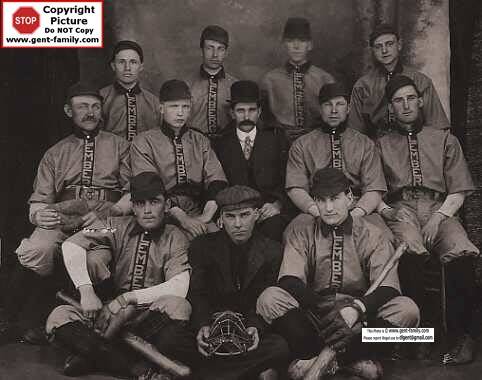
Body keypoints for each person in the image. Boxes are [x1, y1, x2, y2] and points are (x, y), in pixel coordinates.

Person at [257, 168, 419, 378]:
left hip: (358, 319)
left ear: (349, 197)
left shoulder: (373, 234)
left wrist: (357, 309)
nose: (329, 207)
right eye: (321, 200)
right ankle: (351, 363)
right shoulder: (302, 231)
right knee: (269, 298)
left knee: (408, 311)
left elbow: (389, 288)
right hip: (314, 315)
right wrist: (323, 307)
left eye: (334, 198)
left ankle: (318, 361)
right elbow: (289, 279)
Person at [1, 83, 131, 344]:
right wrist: (39, 216)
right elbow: (39, 200)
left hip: (108, 219)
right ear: (68, 110)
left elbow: (133, 193)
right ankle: (24, 320)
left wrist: (114, 211)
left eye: (95, 106)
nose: (90, 112)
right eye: (82, 106)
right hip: (64, 216)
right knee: (38, 248)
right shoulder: (56, 152)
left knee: (95, 259)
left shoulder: (121, 146)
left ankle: (96, 327)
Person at [46, 172, 196, 379]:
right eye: (140, 204)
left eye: (154, 202)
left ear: (167, 204)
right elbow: (72, 244)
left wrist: (128, 298)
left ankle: (95, 355)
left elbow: (179, 286)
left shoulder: (176, 236)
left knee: (179, 306)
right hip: (109, 316)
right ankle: (137, 369)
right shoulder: (114, 225)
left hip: (148, 317)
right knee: (59, 316)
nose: (147, 210)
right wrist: (87, 291)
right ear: (133, 207)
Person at [376, 75, 479, 364]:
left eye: (410, 98)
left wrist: (439, 217)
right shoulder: (381, 144)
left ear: (420, 101)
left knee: (460, 250)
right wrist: (387, 212)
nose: (406, 105)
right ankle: (418, 337)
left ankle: (462, 337)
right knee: (409, 250)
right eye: (398, 100)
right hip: (402, 208)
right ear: (391, 107)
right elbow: (372, 190)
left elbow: (459, 188)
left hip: (440, 206)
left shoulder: (444, 138)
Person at [188, 185, 290, 379]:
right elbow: (197, 293)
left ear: (257, 215)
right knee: (171, 340)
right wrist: (202, 324)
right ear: (220, 219)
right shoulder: (202, 246)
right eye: (230, 216)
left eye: (244, 215)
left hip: (247, 330)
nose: (237, 224)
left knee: (280, 347)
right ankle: (245, 371)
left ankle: (211, 374)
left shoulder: (273, 251)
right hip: (212, 327)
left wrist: (254, 326)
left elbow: (266, 297)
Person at [130, 79, 228, 240]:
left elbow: (217, 180)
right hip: (160, 211)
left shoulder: (200, 140)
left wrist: (205, 217)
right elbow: (148, 186)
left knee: (219, 240)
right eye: (174, 106)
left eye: (185, 107)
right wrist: (184, 220)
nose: (180, 113)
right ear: (161, 108)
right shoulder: (144, 141)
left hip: (198, 209)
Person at [286, 82, 389, 234]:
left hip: (356, 208)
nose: (334, 110)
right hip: (318, 208)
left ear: (348, 109)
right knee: (293, 232)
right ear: (320, 109)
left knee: (383, 235)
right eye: (328, 105)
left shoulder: (364, 144)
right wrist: (317, 212)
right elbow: (295, 187)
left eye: (340, 104)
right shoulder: (302, 144)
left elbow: (374, 188)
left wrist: (355, 214)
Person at [214, 80, 291, 241]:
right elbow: (215, 182)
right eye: (240, 111)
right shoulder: (220, 142)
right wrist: (222, 212)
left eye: (252, 110)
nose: (247, 116)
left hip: (266, 210)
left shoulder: (277, 138)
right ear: (232, 113)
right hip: (233, 211)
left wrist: (277, 204)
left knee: (274, 232)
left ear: (260, 111)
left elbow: (287, 176)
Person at [349, 23, 449, 138]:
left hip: (415, 143)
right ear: (373, 51)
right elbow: (355, 132)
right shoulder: (363, 85)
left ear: (399, 45)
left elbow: (437, 126)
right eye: (378, 47)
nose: (384, 50)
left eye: (389, 44)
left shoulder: (420, 81)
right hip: (376, 148)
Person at [261, 17, 334, 142]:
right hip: (280, 142)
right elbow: (263, 118)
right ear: (284, 44)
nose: (296, 46)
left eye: (302, 41)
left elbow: (333, 116)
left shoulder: (325, 79)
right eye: (290, 41)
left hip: (318, 141)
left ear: (310, 45)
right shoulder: (270, 80)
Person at [100, 40, 160, 141]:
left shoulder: (153, 102)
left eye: (133, 62)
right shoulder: (101, 97)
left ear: (141, 66)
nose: (127, 68)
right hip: (111, 155)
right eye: (121, 62)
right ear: (113, 66)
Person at [187, 25, 238, 139]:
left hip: (226, 146)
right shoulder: (186, 84)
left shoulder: (235, 85)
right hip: (194, 145)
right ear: (202, 49)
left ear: (226, 52)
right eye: (210, 48)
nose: (215, 54)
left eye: (220, 49)